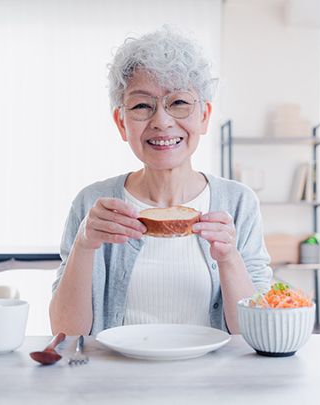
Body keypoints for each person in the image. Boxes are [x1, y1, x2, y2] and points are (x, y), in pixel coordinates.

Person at [50, 27, 272, 336]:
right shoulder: (93, 204)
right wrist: (84, 245)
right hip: (119, 381)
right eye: (142, 105)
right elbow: (65, 333)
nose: (162, 121)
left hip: (212, 382)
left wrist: (229, 258)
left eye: (179, 102)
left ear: (204, 116)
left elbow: (257, 333)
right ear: (121, 122)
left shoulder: (238, 202)